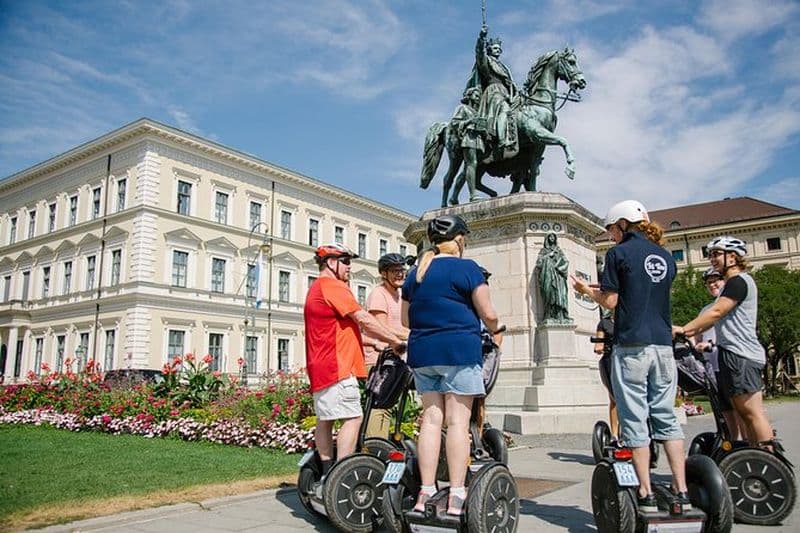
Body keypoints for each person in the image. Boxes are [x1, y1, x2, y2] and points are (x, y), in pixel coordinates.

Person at [570, 200, 689, 513]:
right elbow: (642, 291)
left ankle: (646, 492)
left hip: (632, 345)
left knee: (634, 418)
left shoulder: (618, 254)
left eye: (611, 229)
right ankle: (681, 489)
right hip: (663, 345)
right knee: (666, 416)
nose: (611, 235)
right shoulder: (665, 256)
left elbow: (610, 302)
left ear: (622, 223)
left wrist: (585, 290)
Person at [401, 214, 504, 516]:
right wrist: (497, 327)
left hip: (423, 354)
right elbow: (488, 314)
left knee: (431, 421)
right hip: (459, 351)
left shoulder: (415, 274)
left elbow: (406, 320)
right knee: (458, 422)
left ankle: (426, 490)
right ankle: (457, 493)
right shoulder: (468, 269)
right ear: (459, 239)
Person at [304, 243, 406, 478]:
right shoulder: (333, 286)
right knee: (353, 418)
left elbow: (342, 329)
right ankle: (343, 474)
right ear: (331, 263)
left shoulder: (316, 288)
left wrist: (375, 343)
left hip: (321, 365)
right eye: (346, 261)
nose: (350, 267)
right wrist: (394, 341)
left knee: (325, 420)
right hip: (337, 365)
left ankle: (327, 472)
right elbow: (363, 319)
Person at [674, 236, 774, 450]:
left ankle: (768, 455)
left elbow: (716, 312)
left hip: (741, 354)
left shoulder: (738, 281)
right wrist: (685, 330)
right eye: (710, 254)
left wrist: (684, 329)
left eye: (717, 254)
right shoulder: (730, 284)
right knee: (744, 414)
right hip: (732, 353)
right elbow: (710, 318)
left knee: (751, 413)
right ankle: (753, 454)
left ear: (733, 257)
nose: (712, 258)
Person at [693, 267, 745, 441]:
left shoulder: (731, 305)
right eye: (709, 283)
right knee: (725, 409)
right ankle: (732, 443)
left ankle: (748, 445)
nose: (712, 285)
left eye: (716, 281)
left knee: (740, 408)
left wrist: (710, 344)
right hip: (712, 367)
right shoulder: (706, 310)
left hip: (731, 362)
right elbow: (696, 334)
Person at [362, 252, 410, 437]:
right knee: (380, 404)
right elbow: (381, 327)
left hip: (397, 357)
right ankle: (374, 445)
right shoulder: (378, 294)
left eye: (401, 270)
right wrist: (412, 335)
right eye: (394, 271)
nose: (400, 274)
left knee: (389, 405)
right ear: (384, 273)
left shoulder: (400, 295)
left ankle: (381, 443)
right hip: (379, 360)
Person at [472, 25, 516, 152]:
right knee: (504, 108)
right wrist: (482, 37)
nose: (498, 51)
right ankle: (502, 140)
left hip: (506, 93)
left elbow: (510, 83)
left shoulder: (504, 67)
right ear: (489, 49)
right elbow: (479, 53)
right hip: (494, 92)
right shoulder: (486, 61)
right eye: (495, 48)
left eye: (499, 49)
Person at [594, 309, 618, 440]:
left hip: (627, 359)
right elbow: (599, 344)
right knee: (614, 398)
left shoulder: (630, 321)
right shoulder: (604, 323)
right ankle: (615, 434)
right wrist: (599, 346)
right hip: (610, 360)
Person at [536, 232, 570, 321]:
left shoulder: (559, 250)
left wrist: (560, 268)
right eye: (550, 237)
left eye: (553, 237)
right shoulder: (543, 251)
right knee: (549, 294)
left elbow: (566, 261)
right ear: (547, 239)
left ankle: (560, 314)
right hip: (548, 275)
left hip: (558, 276)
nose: (552, 238)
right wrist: (548, 256)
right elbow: (539, 263)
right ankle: (549, 314)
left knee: (560, 295)